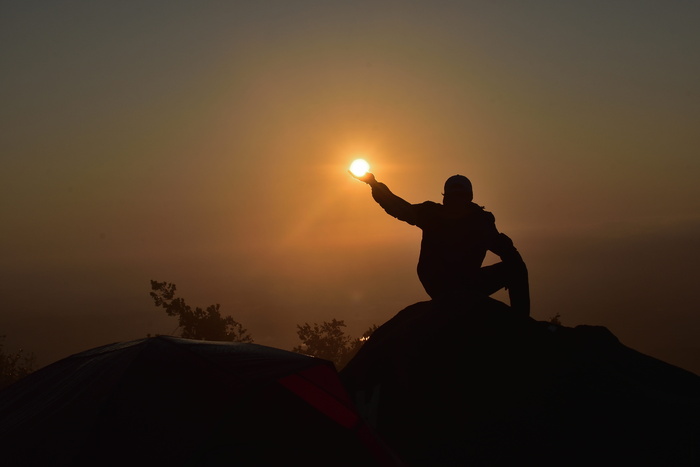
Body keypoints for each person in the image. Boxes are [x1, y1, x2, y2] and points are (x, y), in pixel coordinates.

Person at [352, 172, 530, 317]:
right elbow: (399, 207)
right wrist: (374, 184)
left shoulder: (441, 216)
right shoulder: (471, 219)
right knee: (516, 268)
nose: (457, 201)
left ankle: (520, 324)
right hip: (451, 285)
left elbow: (400, 208)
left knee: (516, 268)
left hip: (444, 284)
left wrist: (374, 184)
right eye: (455, 197)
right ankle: (522, 324)